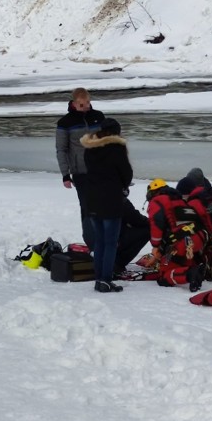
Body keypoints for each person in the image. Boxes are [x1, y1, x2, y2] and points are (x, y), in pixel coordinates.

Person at [80, 118, 133, 293]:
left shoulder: (89, 148)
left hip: (92, 200)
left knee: (100, 242)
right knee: (110, 243)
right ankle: (106, 279)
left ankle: (99, 279)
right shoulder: (116, 149)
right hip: (111, 200)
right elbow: (126, 174)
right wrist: (122, 185)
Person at [56, 88, 105, 250]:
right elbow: (61, 149)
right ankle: (93, 244)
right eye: (82, 105)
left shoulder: (98, 117)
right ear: (74, 103)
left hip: (101, 169)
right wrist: (65, 175)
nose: (86, 107)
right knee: (87, 208)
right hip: (80, 173)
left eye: (88, 103)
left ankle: (106, 242)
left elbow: (108, 141)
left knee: (104, 206)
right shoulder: (65, 123)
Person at [146, 178, 209, 292]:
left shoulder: (157, 201)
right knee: (180, 263)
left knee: (163, 276)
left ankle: (190, 274)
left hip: (181, 242)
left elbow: (157, 222)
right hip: (198, 239)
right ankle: (195, 268)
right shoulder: (180, 200)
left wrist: (156, 246)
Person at [115, 198, 150, 275]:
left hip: (95, 239)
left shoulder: (91, 194)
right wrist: (150, 222)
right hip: (114, 240)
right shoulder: (118, 197)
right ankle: (118, 263)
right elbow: (134, 217)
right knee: (148, 230)